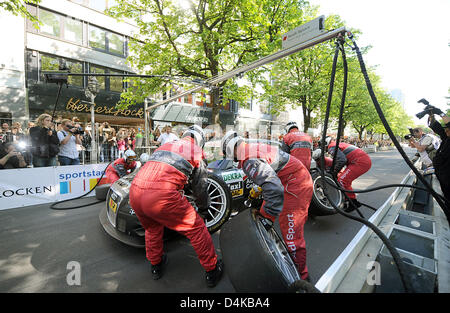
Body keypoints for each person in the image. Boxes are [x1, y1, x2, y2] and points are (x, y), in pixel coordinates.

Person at [129, 125, 224, 287]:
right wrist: (203, 209)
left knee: (152, 229)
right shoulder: (195, 151)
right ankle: (212, 270)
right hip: (161, 195)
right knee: (197, 228)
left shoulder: (165, 146)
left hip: (135, 191)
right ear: (200, 140)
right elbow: (200, 186)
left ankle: (156, 266)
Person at [221, 130, 313, 281]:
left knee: (291, 236)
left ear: (229, 150)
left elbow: (274, 188)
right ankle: (268, 253)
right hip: (290, 181)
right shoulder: (251, 149)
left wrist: (269, 217)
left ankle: (301, 277)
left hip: (295, 187)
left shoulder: (248, 158)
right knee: (263, 216)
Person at [317, 136, 372, 211]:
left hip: (359, 162)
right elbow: (339, 161)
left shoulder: (331, 147)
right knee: (343, 179)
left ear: (325, 144)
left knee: (343, 180)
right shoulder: (337, 144)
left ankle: (353, 203)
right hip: (360, 161)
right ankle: (349, 199)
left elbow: (342, 160)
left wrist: (333, 172)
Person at [428, 108, 450, 221]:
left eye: (448, 129)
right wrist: (431, 115)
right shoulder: (446, 138)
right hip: (443, 178)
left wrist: (440, 112)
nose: (446, 131)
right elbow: (437, 128)